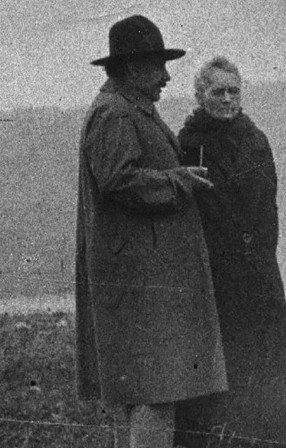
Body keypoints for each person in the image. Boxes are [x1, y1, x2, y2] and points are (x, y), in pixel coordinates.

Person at [75, 16, 227, 448]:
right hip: (141, 286)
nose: (166, 76)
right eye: (157, 65)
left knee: (148, 395)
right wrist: (179, 181)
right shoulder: (115, 113)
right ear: (129, 67)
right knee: (154, 395)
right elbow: (118, 180)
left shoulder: (130, 108)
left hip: (145, 283)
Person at [174, 56, 286, 448]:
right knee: (220, 379)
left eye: (234, 91)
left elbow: (268, 207)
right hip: (215, 280)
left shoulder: (255, 139)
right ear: (200, 95)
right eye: (218, 91)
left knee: (267, 372)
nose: (227, 99)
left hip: (259, 276)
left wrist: (260, 256)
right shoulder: (189, 145)